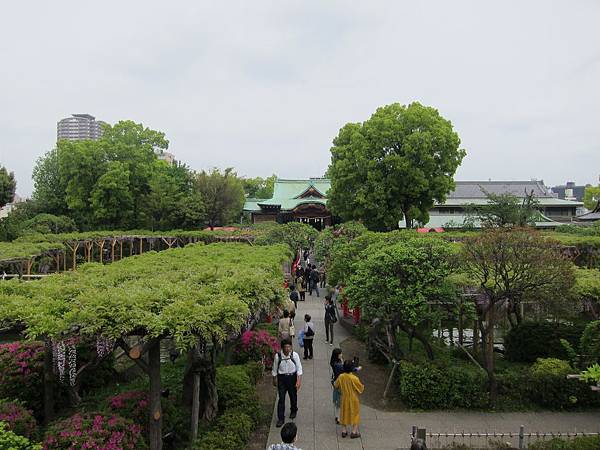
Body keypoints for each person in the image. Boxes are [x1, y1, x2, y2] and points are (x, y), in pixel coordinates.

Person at [272, 338, 303, 427]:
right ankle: (280, 418)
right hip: (282, 379)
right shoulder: (278, 356)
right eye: (285, 347)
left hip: (292, 378)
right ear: (282, 348)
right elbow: (274, 369)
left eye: (289, 347)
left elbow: (299, 368)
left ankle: (293, 410)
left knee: (293, 396)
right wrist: (274, 379)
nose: (287, 349)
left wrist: (298, 381)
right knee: (281, 398)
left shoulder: (294, 355)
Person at [334, 360, 364, 439]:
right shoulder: (354, 378)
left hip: (344, 398)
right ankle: (354, 432)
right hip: (353, 398)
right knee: (355, 414)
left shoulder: (341, 376)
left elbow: (336, 385)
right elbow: (360, 388)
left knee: (343, 413)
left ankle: (344, 431)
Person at [329, 348, 343, 424]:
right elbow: (344, 369)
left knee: (337, 400)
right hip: (338, 384)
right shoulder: (338, 365)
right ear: (337, 355)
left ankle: (338, 416)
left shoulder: (334, 362)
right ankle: (338, 418)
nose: (341, 355)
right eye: (340, 354)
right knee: (339, 401)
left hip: (335, 382)